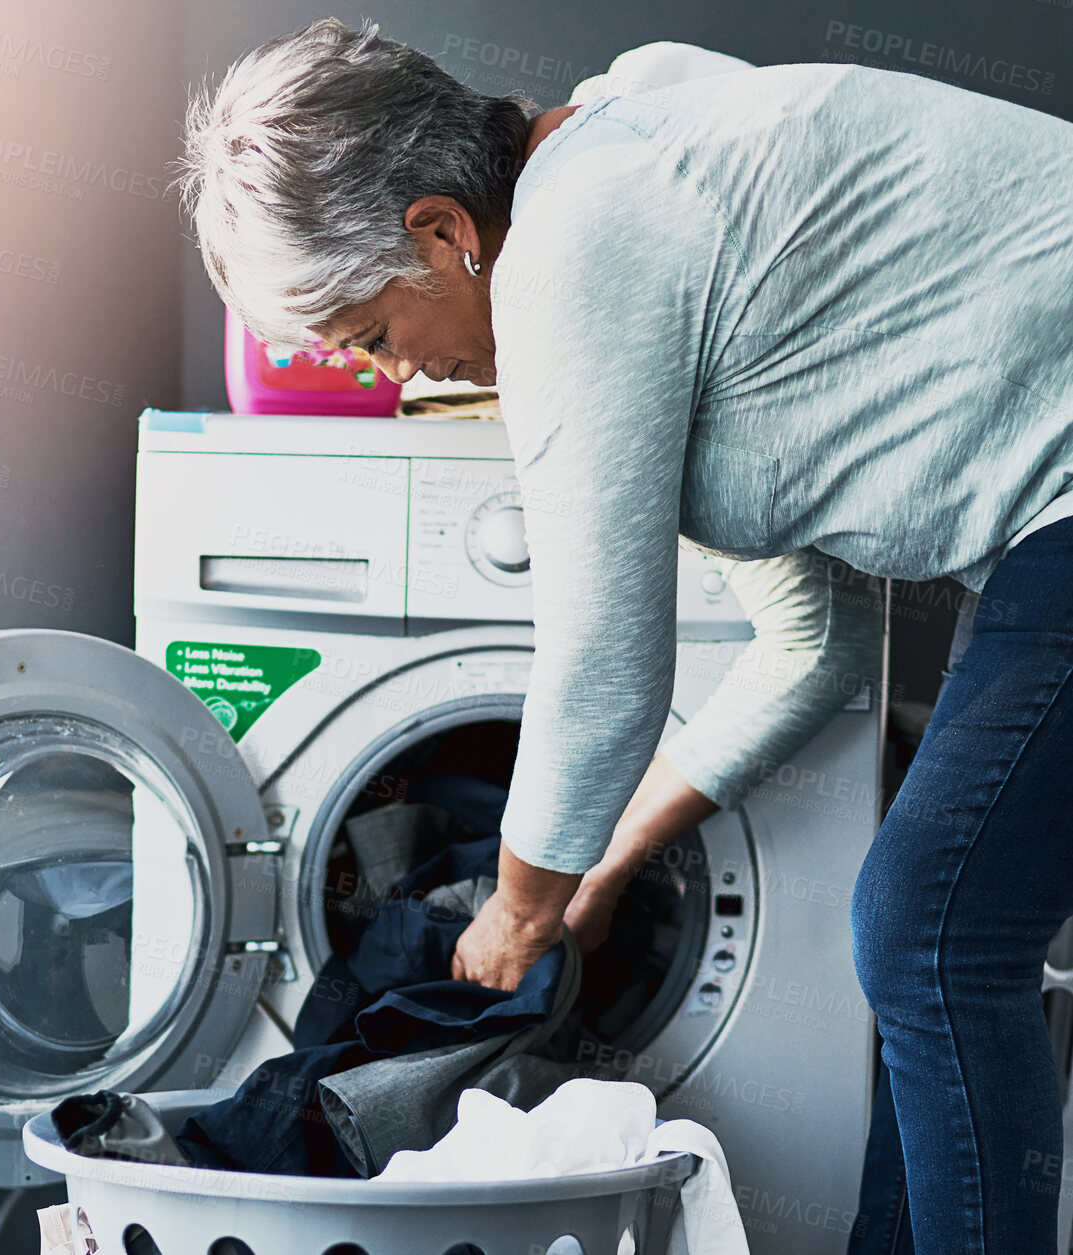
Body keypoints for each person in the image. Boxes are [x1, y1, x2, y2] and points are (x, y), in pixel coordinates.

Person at [178, 19, 1073, 1254]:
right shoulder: (628, 158)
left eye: (377, 335)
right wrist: (589, 880)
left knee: (927, 930)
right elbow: (806, 644)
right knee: (922, 939)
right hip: (1045, 528)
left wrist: (514, 908)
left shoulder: (578, 242)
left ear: (443, 235)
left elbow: (601, 667)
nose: (393, 374)